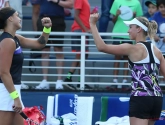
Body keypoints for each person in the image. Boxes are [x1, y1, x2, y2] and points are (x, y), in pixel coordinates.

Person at [90, 13, 163, 125]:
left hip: (141, 98)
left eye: (130, 27)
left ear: (139, 29)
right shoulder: (157, 51)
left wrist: (93, 24)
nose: (128, 31)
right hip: (156, 99)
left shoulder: (131, 48)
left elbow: (101, 47)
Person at [0, 7, 52, 125]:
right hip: (5, 92)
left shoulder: (15, 38)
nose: (20, 18)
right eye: (17, 15)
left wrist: (47, 28)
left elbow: (39, 44)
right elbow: (3, 73)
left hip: (12, 91)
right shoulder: (8, 41)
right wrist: (15, 98)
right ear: (10, 19)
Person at [35, 0, 73, 90]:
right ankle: (45, 81)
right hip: (43, 19)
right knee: (44, 50)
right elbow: (36, 7)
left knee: (58, 50)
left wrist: (56, 1)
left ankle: (59, 81)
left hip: (57, 20)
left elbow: (71, 5)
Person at [110, 0, 143, 90]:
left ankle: (125, 81)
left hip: (130, 34)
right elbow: (113, 20)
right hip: (117, 33)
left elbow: (139, 22)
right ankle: (115, 81)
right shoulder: (117, 1)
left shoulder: (136, 3)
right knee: (117, 56)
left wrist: (135, 16)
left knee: (127, 58)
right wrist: (116, 14)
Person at [63, 0, 92, 90]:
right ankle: (68, 79)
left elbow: (82, 15)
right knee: (80, 55)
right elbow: (76, 15)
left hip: (82, 31)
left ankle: (80, 81)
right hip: (80, 31)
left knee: (83, 55)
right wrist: (85, 30)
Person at [152, 0, 165, 84]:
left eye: (164, 7)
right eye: (161, 7)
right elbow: (151, 28)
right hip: (158, 44)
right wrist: (154, 35)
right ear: (158, 8)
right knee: (158, 64)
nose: (163, 9)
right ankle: (158, 83)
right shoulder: (155, 15)